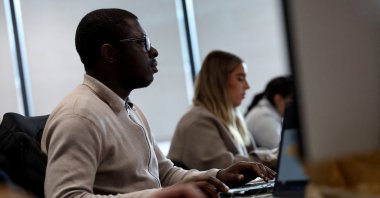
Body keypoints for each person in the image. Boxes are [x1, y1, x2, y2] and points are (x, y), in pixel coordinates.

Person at [41, 8, 276, 198]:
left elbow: (165, 174)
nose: (153, 51)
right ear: (109, 53)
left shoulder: (129, 108)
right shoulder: (78, 117)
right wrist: (159, 196)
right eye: (142, 42)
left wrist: (220, 175)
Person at [168, 50, 277, 171]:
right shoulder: (198, 121)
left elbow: (251, 155)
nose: (247, 86)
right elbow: (227, 168)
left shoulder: (231, 118)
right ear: (219, 82)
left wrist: (276, 156)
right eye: (240, 78)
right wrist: (275, 157)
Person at [244, 76, 293, 149]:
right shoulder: (264, 117)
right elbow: (285, 152)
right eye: (291, 101)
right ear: (278, 99)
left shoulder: (266, 113)